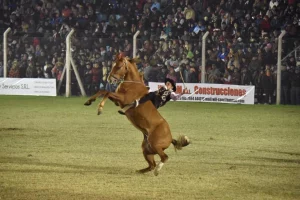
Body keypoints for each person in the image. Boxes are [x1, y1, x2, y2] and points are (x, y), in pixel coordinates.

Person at [118, 78, 183, 115]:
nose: (167, 84)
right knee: (150, 92)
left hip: (157, 103)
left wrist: (182, 93)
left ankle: (138, 102)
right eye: (167, 83)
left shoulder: (171, 93)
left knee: (153, 94)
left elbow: (175, 98)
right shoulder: (162, 88)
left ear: (172, 87)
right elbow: (152, 91)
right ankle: (132, 105)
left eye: (169, 84)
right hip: (153, 98)